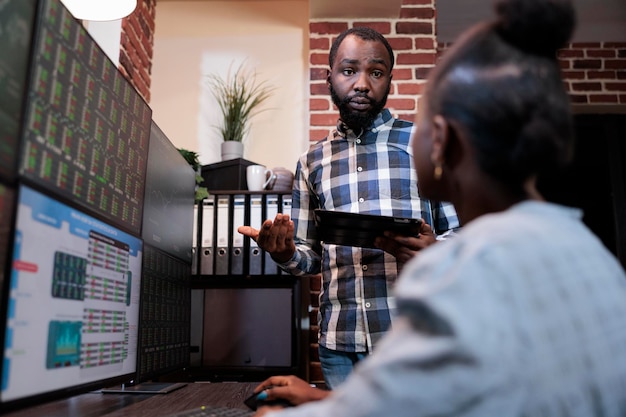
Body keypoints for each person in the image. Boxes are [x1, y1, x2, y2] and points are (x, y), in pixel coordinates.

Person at [247, 0, 626, 415]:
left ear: (442, 139)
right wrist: (329, 398)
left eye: (424, 120)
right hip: (346, 343)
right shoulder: (581, 250)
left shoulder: (467, 273)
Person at [238, 27, 459, 389]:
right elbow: (308, 258)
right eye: (348, 70)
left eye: (375, 72)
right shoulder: (312, 161)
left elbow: (463, 235)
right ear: (330, 77)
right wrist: (284, 252)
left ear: (389, 78)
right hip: (339, 345)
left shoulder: (426, 145)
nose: (361, 83)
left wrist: (436, 250)